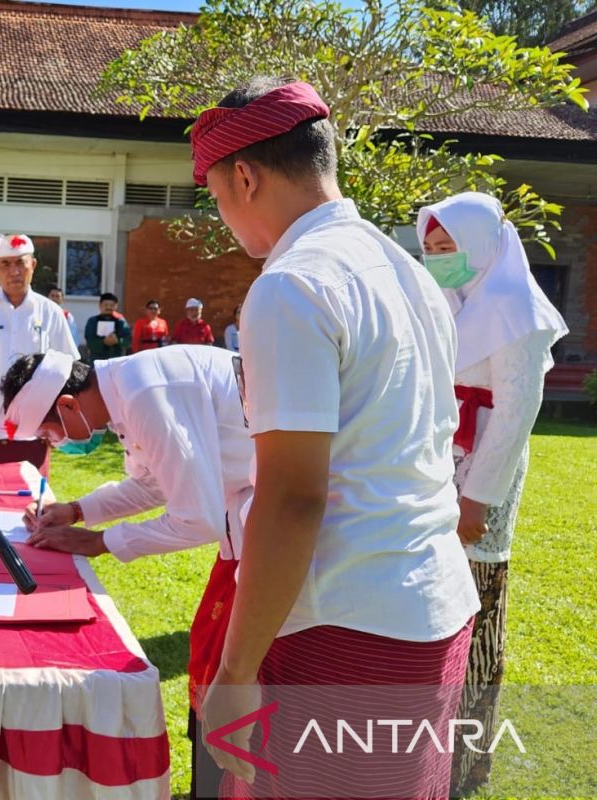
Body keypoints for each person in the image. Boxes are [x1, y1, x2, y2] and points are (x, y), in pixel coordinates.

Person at [192, 77, 478, 799]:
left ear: (246, 177)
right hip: (430, 601)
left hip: (344, 625)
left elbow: (292, 499)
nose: (226, 218)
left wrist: (234, 672)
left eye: (219, 197)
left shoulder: (293, 286)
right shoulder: (409, 274)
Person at [1, 347, 252, 800]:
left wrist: (100, 543)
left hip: (280, 528)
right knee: (208, 657)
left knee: (226, 668)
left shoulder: (145, 391)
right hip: (245, 527)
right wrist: (77, 510)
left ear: (69, 404)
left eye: (51, 433)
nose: (57, 444)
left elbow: (198, 519)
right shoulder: (127, 390)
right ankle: (217, 785)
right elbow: (154, 482)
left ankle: (232, 785)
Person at [417, 192, 568, 795]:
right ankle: (424, 749)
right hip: (439, 461)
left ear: (481, 245)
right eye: (429, 249)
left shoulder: (514, 307)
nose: (436, 260)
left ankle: (465, 759)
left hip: (483, 470)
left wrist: (478, 498)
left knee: (476, 603)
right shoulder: (452, 300)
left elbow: (515, 414)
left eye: (446, 247)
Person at [0, 234, 78, 473]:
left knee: (32, 505)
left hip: (35, 432)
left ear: (33, 266)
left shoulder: (50, 312)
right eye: (5, 264)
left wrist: (59, 422)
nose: (14, 271)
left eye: (20, 263)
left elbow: (68, 371)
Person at [84, 292, 132, 361]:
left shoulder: (121, 321)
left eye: (112, 305)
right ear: (100, 305)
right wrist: (103, 342)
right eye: (106, 305)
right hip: (97, 361)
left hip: (116, 360)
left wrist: (118, 341)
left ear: (116, 306)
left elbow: (128, 341)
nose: (108, 307)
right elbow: (90, 342)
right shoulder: (92, 321)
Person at [47, 284, 82, 350]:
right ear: (48, 297)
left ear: (62, 299)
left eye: (57, 296)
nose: (54, 298)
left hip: (61, 352)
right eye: (52, 296)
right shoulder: (41, 314)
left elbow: (73, 337)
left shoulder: (67, 316)